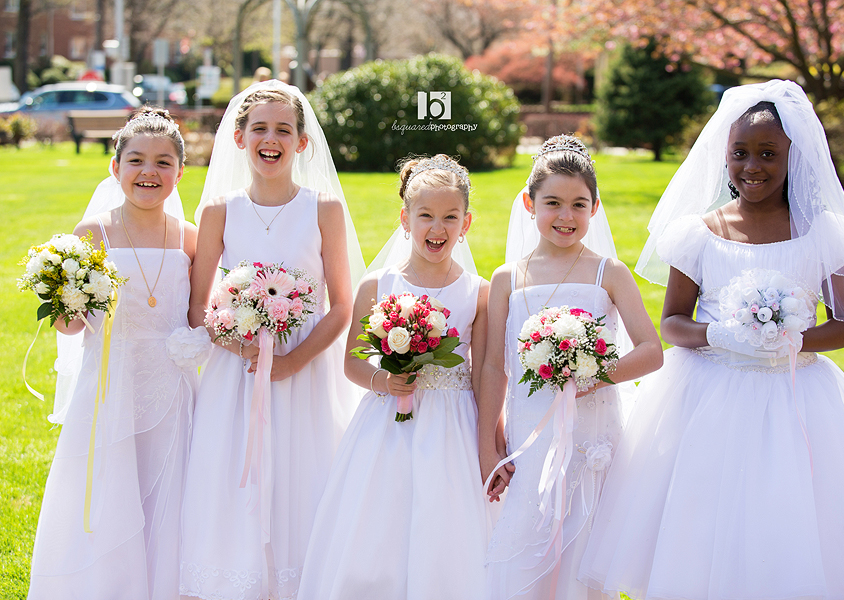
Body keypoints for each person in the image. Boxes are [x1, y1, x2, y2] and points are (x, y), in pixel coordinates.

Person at [578, 79, 844, 600]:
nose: (752, 166)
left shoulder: (823, 233)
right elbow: (672, 323)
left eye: (768, 153)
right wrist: (721, 335)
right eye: (740, 153)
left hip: (796, 394)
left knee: (785, 511)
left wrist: (792, 340)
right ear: (723, 157)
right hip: (709, 394)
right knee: (706, 514)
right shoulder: (699, 233)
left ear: (794, 157)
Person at [179, 80, 365, 600]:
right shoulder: (220, 211)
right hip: (235, 370)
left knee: (301, 473)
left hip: (305, 367)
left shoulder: (323, 209)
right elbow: (198, 306)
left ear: (302, 142)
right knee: (233, 474)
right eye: (259, 128)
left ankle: (302, 579)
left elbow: (342, 305)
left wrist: (292, 361)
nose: (271, 139)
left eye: (284, 130)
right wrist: (243, 347)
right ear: (239, 138)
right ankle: (234, 576)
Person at [297, 154, 493, 600]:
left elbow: (483, 371)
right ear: (405, 219)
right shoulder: (378, 285)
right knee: (381, 520)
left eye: (450, 217)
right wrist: (385, 382)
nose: (437, 228)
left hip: (453, 426)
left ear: (466, 223)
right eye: (425, 215)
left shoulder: (477, 292)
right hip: (387, 421)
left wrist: (490, 442)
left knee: (445, 523)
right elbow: (352, 363)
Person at [479, 135, 663, 599]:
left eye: (579, 204)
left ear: (595, 208)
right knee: (525, 548)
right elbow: (494, 367)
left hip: (591, 435)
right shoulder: (506, 279)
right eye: (553, 203)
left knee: (584, 549)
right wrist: (489, 445)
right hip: (529, 434)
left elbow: (650, 350)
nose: (566, 216)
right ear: (529, 204)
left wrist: (592, 376)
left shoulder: (609, 273)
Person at [29, 107, 202, 600]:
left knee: (168, 488)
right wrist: (63, 293)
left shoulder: (190, 238)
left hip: (172, 387)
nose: (150, 172)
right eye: (137, 160)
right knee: (109, 487)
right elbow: (68, 326)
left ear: (180, 172)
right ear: (115, 167)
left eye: (164, 162)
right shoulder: (92, 234)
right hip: (110, 385)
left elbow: (197, 315)